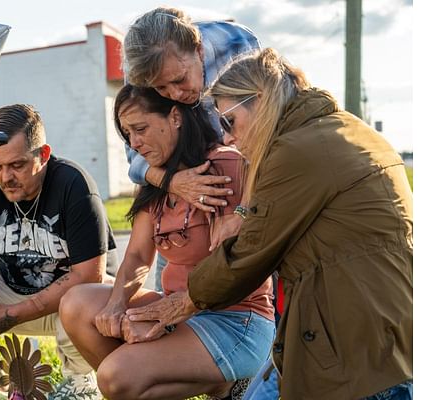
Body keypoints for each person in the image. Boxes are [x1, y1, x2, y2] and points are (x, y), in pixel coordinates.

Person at [124, 48, 414, 400]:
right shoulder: (341, 130)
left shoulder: (297, 150)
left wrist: (178, 306)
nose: (227, 137)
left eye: (229, 121)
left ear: (259, 100)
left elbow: (247, 255)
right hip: (376, 333)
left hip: (358, 354)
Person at [59, 84, 275, 400]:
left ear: (175, 117)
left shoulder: (225, 166)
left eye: (141, 129)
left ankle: (226, 384)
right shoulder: (154, 180)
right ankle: (141, 382)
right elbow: (135, 256)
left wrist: (163, 316)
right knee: (77, 305)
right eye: (127, 134)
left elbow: (237, 269)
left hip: (235, 319)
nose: (134, 143)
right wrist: (117, 306)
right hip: (176, 308)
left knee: (116, 377)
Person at [0, 104, 115, 400]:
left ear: (42, 155)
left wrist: (9, 315)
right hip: (15, 293)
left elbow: (87, 275)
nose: (5, 177)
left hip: (78, 307)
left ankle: (80, 384)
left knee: (82, 294)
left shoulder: (73, 185)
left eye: (16, 165)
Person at [122, 6, 262, 293]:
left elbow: (264, 139)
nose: (175, 95)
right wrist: (173, 182)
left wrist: (244, 212)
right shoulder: (140, 71)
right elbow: (136, 156)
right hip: (183, 204)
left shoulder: (239, 45)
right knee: (176, 283)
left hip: (246, 186)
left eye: (179, 80)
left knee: (253, 289)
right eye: (160, 88)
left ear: (198, 51)